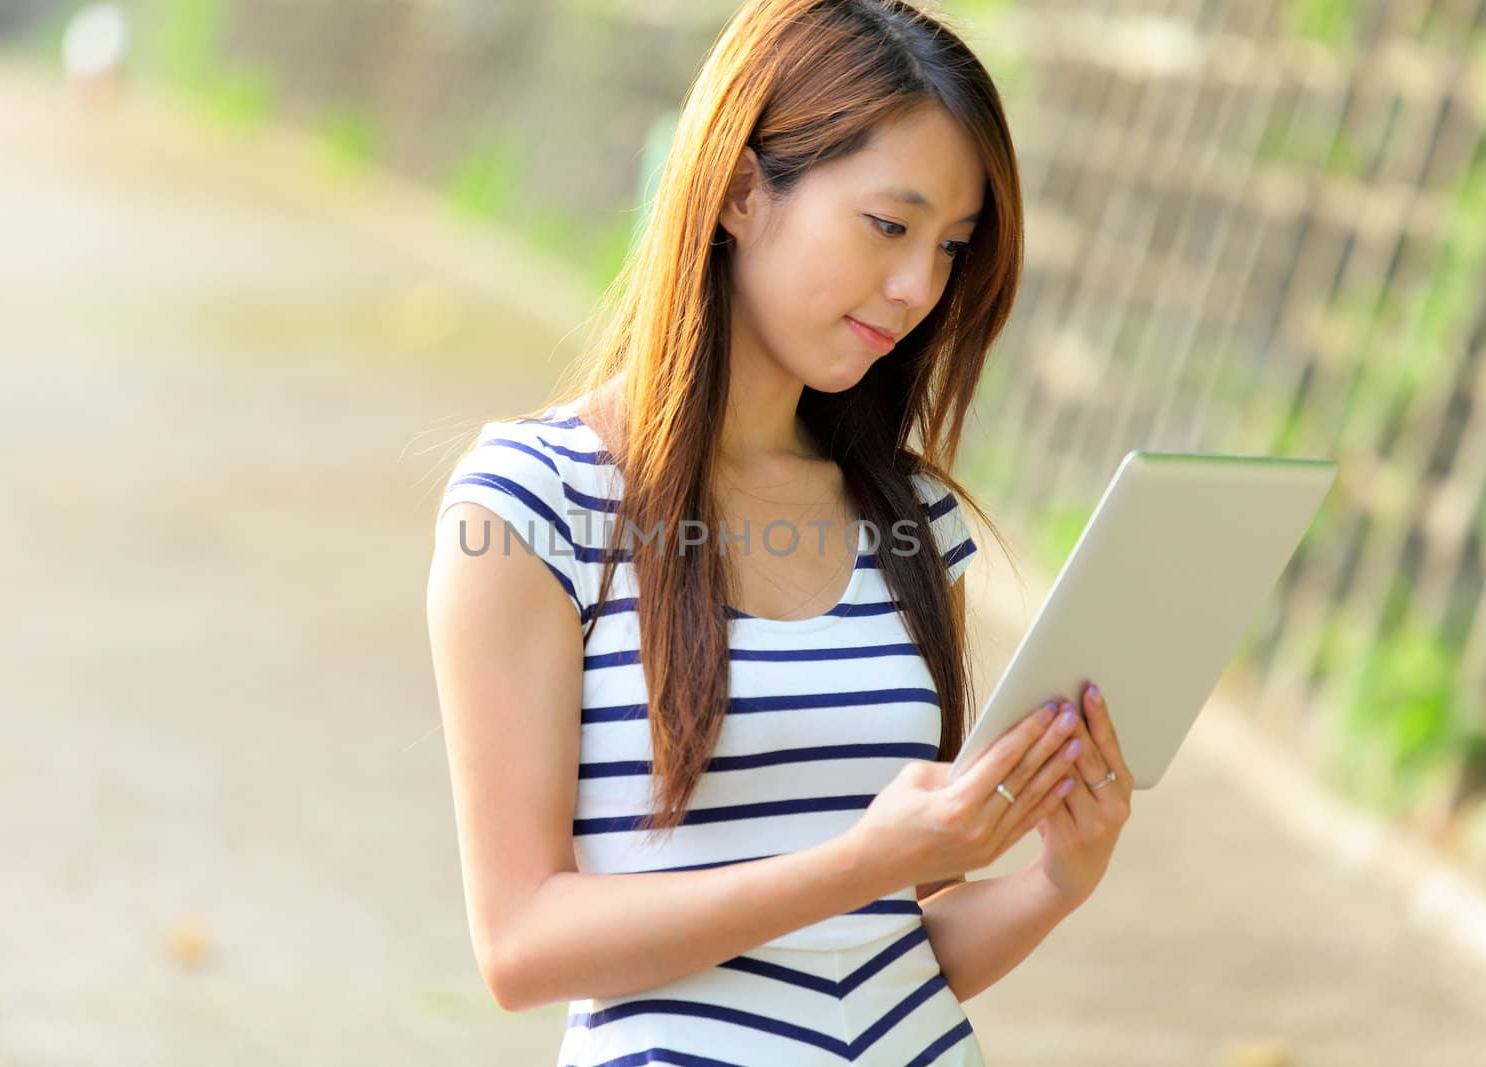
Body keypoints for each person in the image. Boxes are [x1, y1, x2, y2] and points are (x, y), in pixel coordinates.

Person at [427, 1, 1136, 1062]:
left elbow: (880, 948)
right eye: (888, 227)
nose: (916, 288)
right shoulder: (531, 503)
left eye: (950, 247)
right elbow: (521, 942)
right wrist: (855, 860)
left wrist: (1054, 881)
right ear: (741, 190)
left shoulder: (909, 520)